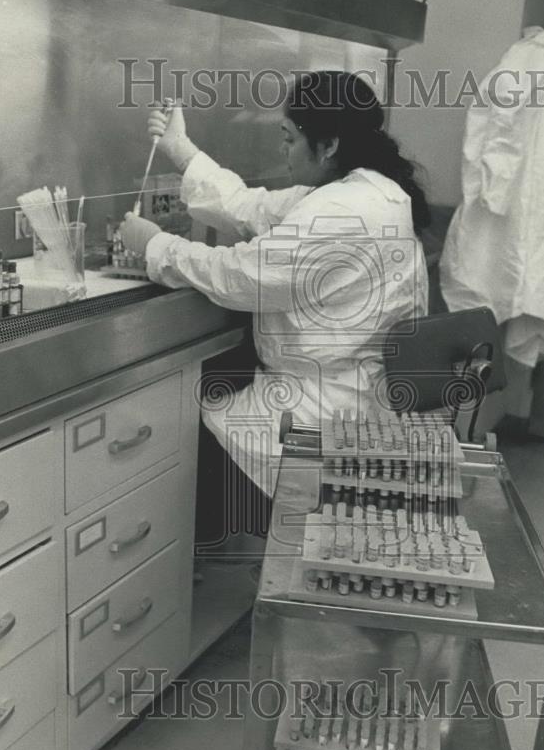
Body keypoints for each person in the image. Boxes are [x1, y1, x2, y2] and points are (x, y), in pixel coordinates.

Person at [119, 71, 430, 503]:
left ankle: (226, 561)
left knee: (188, 424)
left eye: (288, 137)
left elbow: (242, 276)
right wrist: (181, 149)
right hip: (348, 398)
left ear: (330, 145)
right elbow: (251, 207)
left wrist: (155, 245)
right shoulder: (368, 192)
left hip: (318, 412)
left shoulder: (341, 210)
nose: (282, 149)